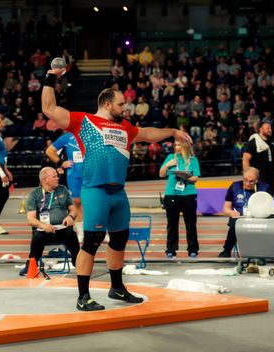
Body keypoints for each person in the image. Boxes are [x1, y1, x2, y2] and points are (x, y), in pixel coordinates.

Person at [42, 63, 192, 311]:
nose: (126, 108)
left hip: (118, 193)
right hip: (96, 191)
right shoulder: (83, 121)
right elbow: (48, 108)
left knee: (120, 240)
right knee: (92, 241)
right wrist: (50, 77)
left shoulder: (126, 128)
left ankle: (117, 288)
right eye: (121, 104)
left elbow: (149, 133)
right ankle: (83, 296)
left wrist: (174, 131)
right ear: (108, 104)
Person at [21, 167, 80, 275]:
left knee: (71, 234)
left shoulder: (63, 189)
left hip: (62, 229)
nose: (58, 178)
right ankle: (31, 264)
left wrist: (70, 217)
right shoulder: (34, 194)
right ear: (45, 180)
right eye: (54, 176)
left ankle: (79, 263)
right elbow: (31, 219)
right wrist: (43, 225)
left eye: (57, 176)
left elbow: (74, 210)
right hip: (44, 231)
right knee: (37, 237)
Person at [159, 140, 201, 258]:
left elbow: (196, 178)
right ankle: (171, 250)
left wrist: (185, 176)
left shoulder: (193, 160)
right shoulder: (170, 157)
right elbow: (161, 174)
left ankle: (193, 249)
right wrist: (168, 165)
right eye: (175, 145)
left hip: (188, 194)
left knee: (191, 224)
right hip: (172, 194)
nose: (176, 147)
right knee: (172, 224)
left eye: (179, 145)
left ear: (185, 146)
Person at [218, 167, 270, 257]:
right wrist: (231, 213)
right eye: (245, 180)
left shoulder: (264, 188)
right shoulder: (234, 186)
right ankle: (226, 250)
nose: (247, 183)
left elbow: (269, 207)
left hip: (258, 217)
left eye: (251, 181)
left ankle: (263, 251)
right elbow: (226, 208)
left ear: (256, 180)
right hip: (239, 218)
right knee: (234, 224)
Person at [45, 131, 84, 242]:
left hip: (92, 174)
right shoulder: (68, 137)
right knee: (76, 202)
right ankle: (81, 233)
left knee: (96, 202)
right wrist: (61, 162)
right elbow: (49, 151)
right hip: (74, 175)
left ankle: (102, 232)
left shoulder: (93, 134)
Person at [242, 122, 274, 196]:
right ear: (261, 130)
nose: (270, 130)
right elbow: (246, 159)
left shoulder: (273, 143)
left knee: (270, 199)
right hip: (258, 179)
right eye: (267, 128)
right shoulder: (253, 142)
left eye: (270, 128)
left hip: (271, 179)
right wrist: (247, 177)